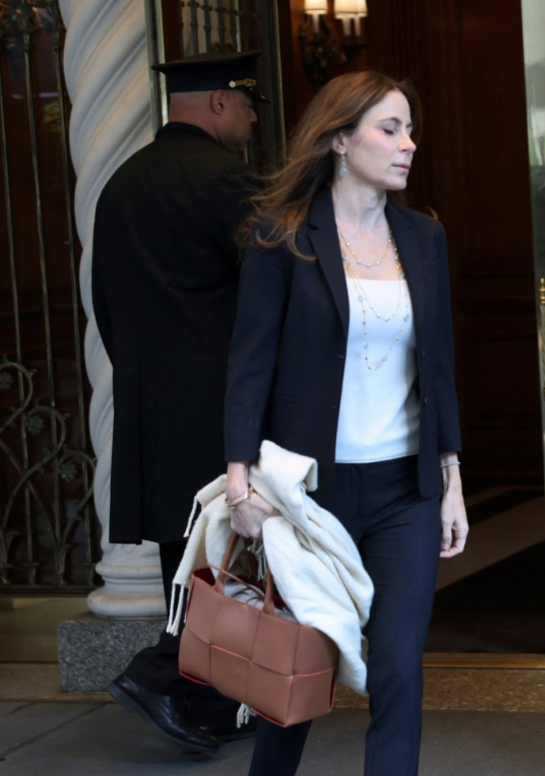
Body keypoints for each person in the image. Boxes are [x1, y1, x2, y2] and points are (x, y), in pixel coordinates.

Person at [222, 69, 468, 776]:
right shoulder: (284, 236)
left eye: (409, 129)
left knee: (397, 666)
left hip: (404, 493)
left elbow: (440, 369)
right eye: (389, 129)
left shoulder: (423, 238)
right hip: (309, 495)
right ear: (339, 139)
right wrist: (241, 482)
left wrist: (451, 478)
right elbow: (249, 366)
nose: (408, 145)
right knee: (296, 667)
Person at [92, 49, 267, 755]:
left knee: (185, 562)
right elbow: (266, 298)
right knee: (230, 563)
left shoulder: (120, 184)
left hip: (150, 406)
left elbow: (105, 301)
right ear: (219, 104)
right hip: (221, 409)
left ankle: (204, 705)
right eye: (248, 104)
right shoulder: (225, 180)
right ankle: (162, 672)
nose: (255, 117)